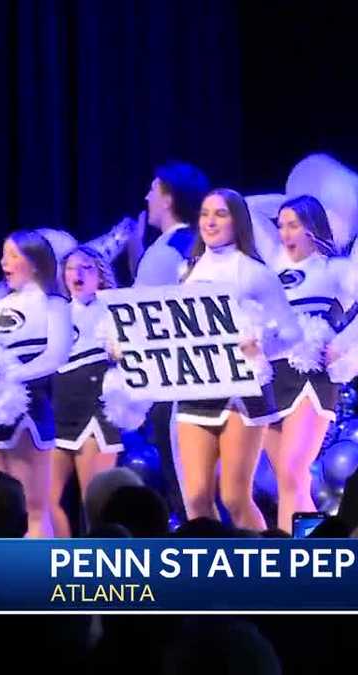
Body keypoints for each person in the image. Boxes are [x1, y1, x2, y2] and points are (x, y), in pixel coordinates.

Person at [174, 189, 301, 530]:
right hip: (196, 389)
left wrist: (261, 346)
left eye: (220, 214)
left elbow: (291, 333)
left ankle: (265, 568)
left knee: (233, 496)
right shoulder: (186, 272)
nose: (210, 221)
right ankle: (211, 572)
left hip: (241, 391)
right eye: (204, 214)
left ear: (238, 221)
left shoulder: (254, 272)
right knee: (197, 497)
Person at [263, 195, 358, 533]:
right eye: (280, 226)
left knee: (293, 473)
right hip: (269, 377)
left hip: (311, 378)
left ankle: (291, 564)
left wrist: (342, 342)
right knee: (288, 483)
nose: (285, 233)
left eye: (294, 225)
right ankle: (313, 552)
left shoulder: (335, 269)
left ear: (313, 229)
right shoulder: (271, 274)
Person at [0, 231, 73, 537]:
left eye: (12, 255)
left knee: (33, 508)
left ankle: (37, 580)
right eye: (2, 255)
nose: (3, 262)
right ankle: (0, 579)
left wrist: (12, 376)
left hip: (28, 407)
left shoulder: (55, 304)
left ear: (35, 263)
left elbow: (56, 357)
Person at [127, 161, 210, 525]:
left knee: (185, 488)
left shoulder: (167, 251)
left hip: (173, 386)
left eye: (152, 189)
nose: (146, 196)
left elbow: (142, 315)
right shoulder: (185, 245)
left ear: (168, 196)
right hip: (198, 380)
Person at [49, 246, 124, 537]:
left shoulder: (114, 309)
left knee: (95, 505)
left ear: (100, 276)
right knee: (43, 501)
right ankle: (60, 561)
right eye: (71, 268)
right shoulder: (55, 313)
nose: (77, 274)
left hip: (97, 411)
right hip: (60, 412)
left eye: (87, 268)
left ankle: (95, 568)